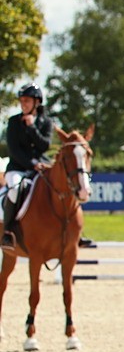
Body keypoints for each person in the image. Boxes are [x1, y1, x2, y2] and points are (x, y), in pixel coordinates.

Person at [2, 84, 54, 252]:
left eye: (27, 101)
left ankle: (74, 231)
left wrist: (32, 128)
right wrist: (32, 164)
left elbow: (45, 145)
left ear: (36, 102)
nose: (23, 104)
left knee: (62, 186)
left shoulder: (46, 122)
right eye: (22, 101)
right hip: (18, 168)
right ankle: (8, 231)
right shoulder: (13, 122)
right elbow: (14, 151)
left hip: (42, 166)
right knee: (15, 190)